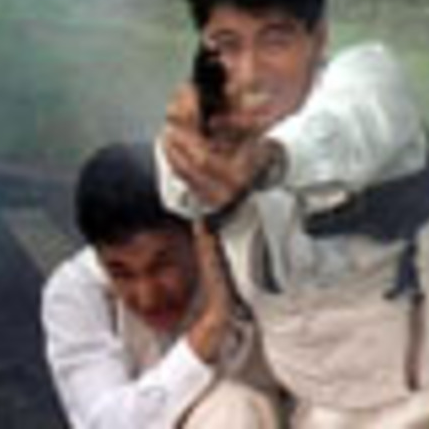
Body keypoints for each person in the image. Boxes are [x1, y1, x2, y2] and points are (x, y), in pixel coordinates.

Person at [156, 0, 429, 428]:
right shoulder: (204, 134)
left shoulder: (369, 81)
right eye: (227, 45)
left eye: (275, 40)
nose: (251, 72)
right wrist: (196, 142)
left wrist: (267, 159)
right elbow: (177, 179)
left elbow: (346, 129)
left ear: (318, 37)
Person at [42, 142, 282, 429]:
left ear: (199, 238)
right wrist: (210, 328)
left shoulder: (250, 263)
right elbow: (104, 423)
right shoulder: (76, 292)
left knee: (234, 407)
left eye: (162, 265)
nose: (148, 297)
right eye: (121, 273)